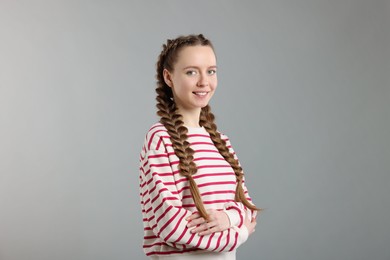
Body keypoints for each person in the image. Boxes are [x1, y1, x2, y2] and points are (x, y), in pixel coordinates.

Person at [139, 34, 259, 259]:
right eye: (191, 72)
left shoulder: (220, 141)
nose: (204, 81)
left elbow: (248, 208)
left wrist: (228, 219)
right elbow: (169, 225)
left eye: (211, 71)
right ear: (169, 77)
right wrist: (237, 235)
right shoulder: (160, 138)